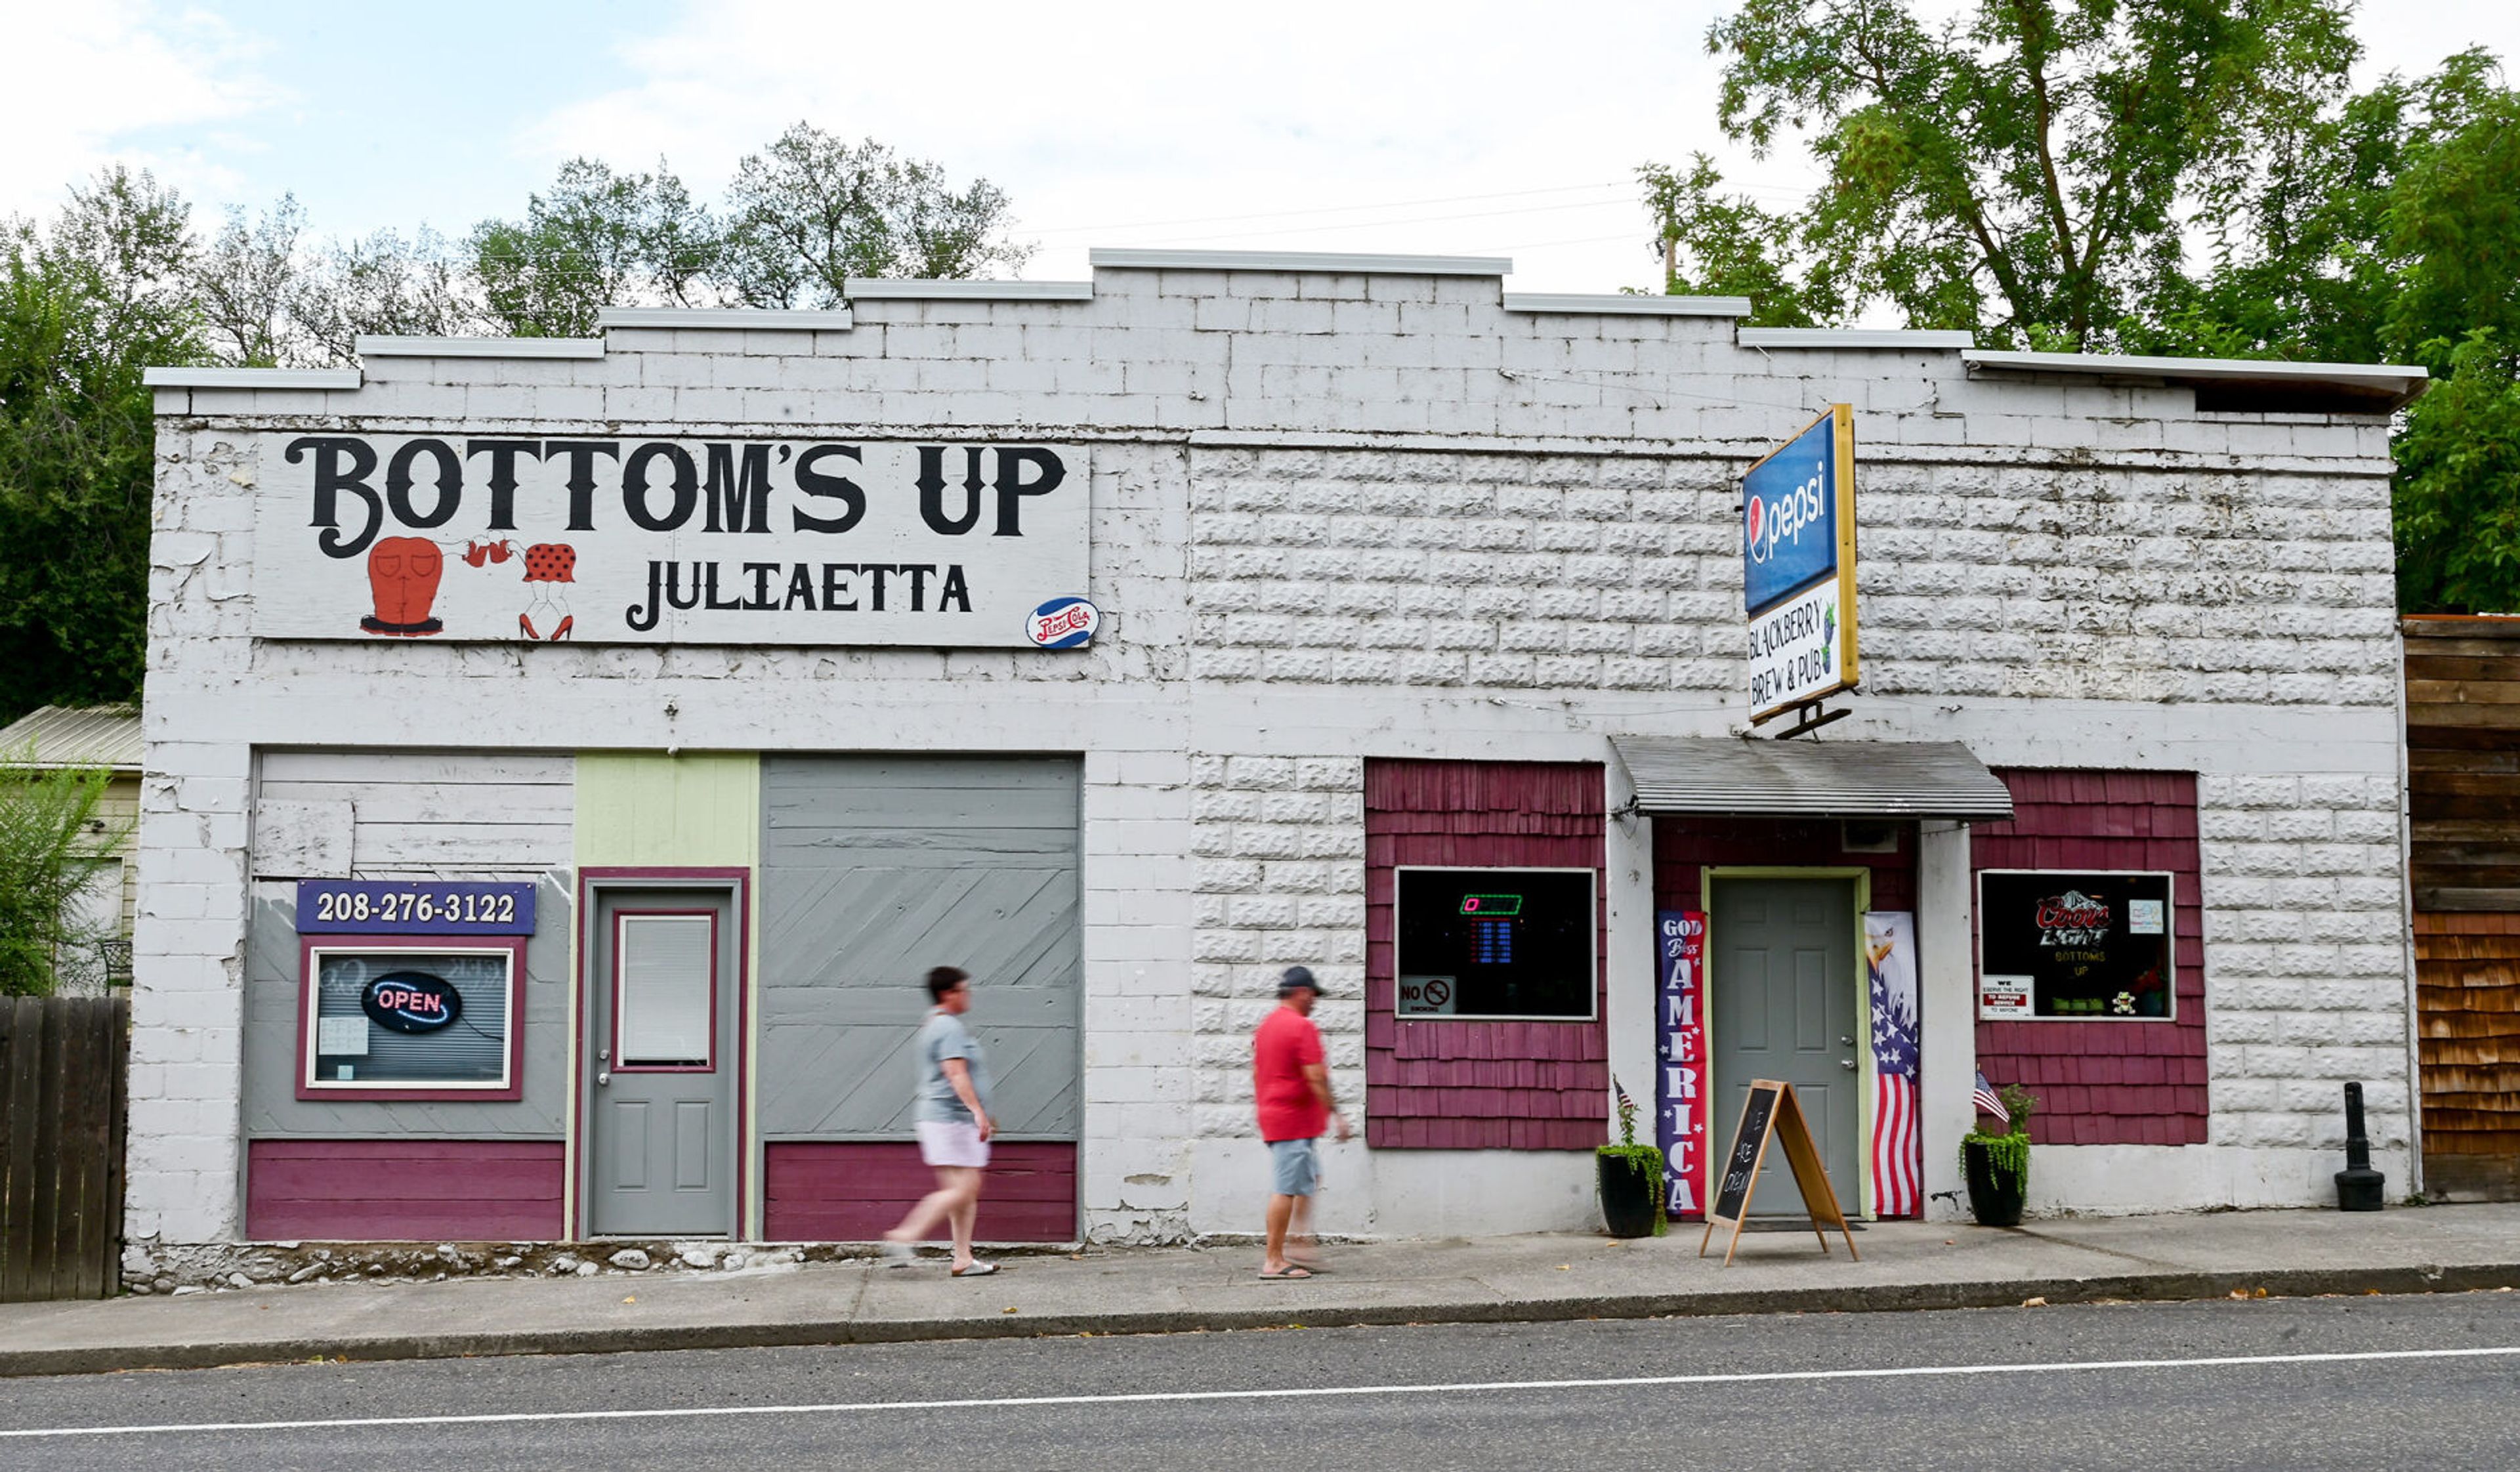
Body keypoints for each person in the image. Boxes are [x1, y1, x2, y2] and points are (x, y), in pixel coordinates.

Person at [883, 966, 998, 1276]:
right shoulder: (948, 1027)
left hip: (944, 1119)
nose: (968, 995)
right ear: (949, 993)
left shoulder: (936, 1024)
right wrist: (977, 1111)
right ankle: (905, 1235)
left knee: (962, 1192)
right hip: (952, 1119)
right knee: (966, 1188)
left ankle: (963, 1258)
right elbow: (956, 1073)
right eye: (965, 990)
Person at [1253, 964, 1350, 1280]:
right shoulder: (1301, 1027)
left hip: (1280, 1117)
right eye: (1313, 996)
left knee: (1309, 1178)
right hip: (1291, 1121)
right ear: (1302, 992)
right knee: (1286, 1189)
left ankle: (1300, 1245)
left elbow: (1257, 1073)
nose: (1315, 1002)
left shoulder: (1267, 1026)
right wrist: (1336, 1114)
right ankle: (1274, 1261)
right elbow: (1316, 1077)